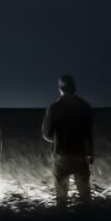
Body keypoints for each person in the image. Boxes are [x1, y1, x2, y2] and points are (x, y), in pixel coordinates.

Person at [40, 73, 93, 207]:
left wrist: (58, 139)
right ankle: (89, 218)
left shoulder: (54, 108)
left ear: (60, 88)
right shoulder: (85, 106)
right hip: (81, 155)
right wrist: (91, 152)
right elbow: (89, 133)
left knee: (61, 197)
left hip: (61, 156)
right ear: (74, 88)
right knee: (85, 195)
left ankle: (62, 218)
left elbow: (46, 134)